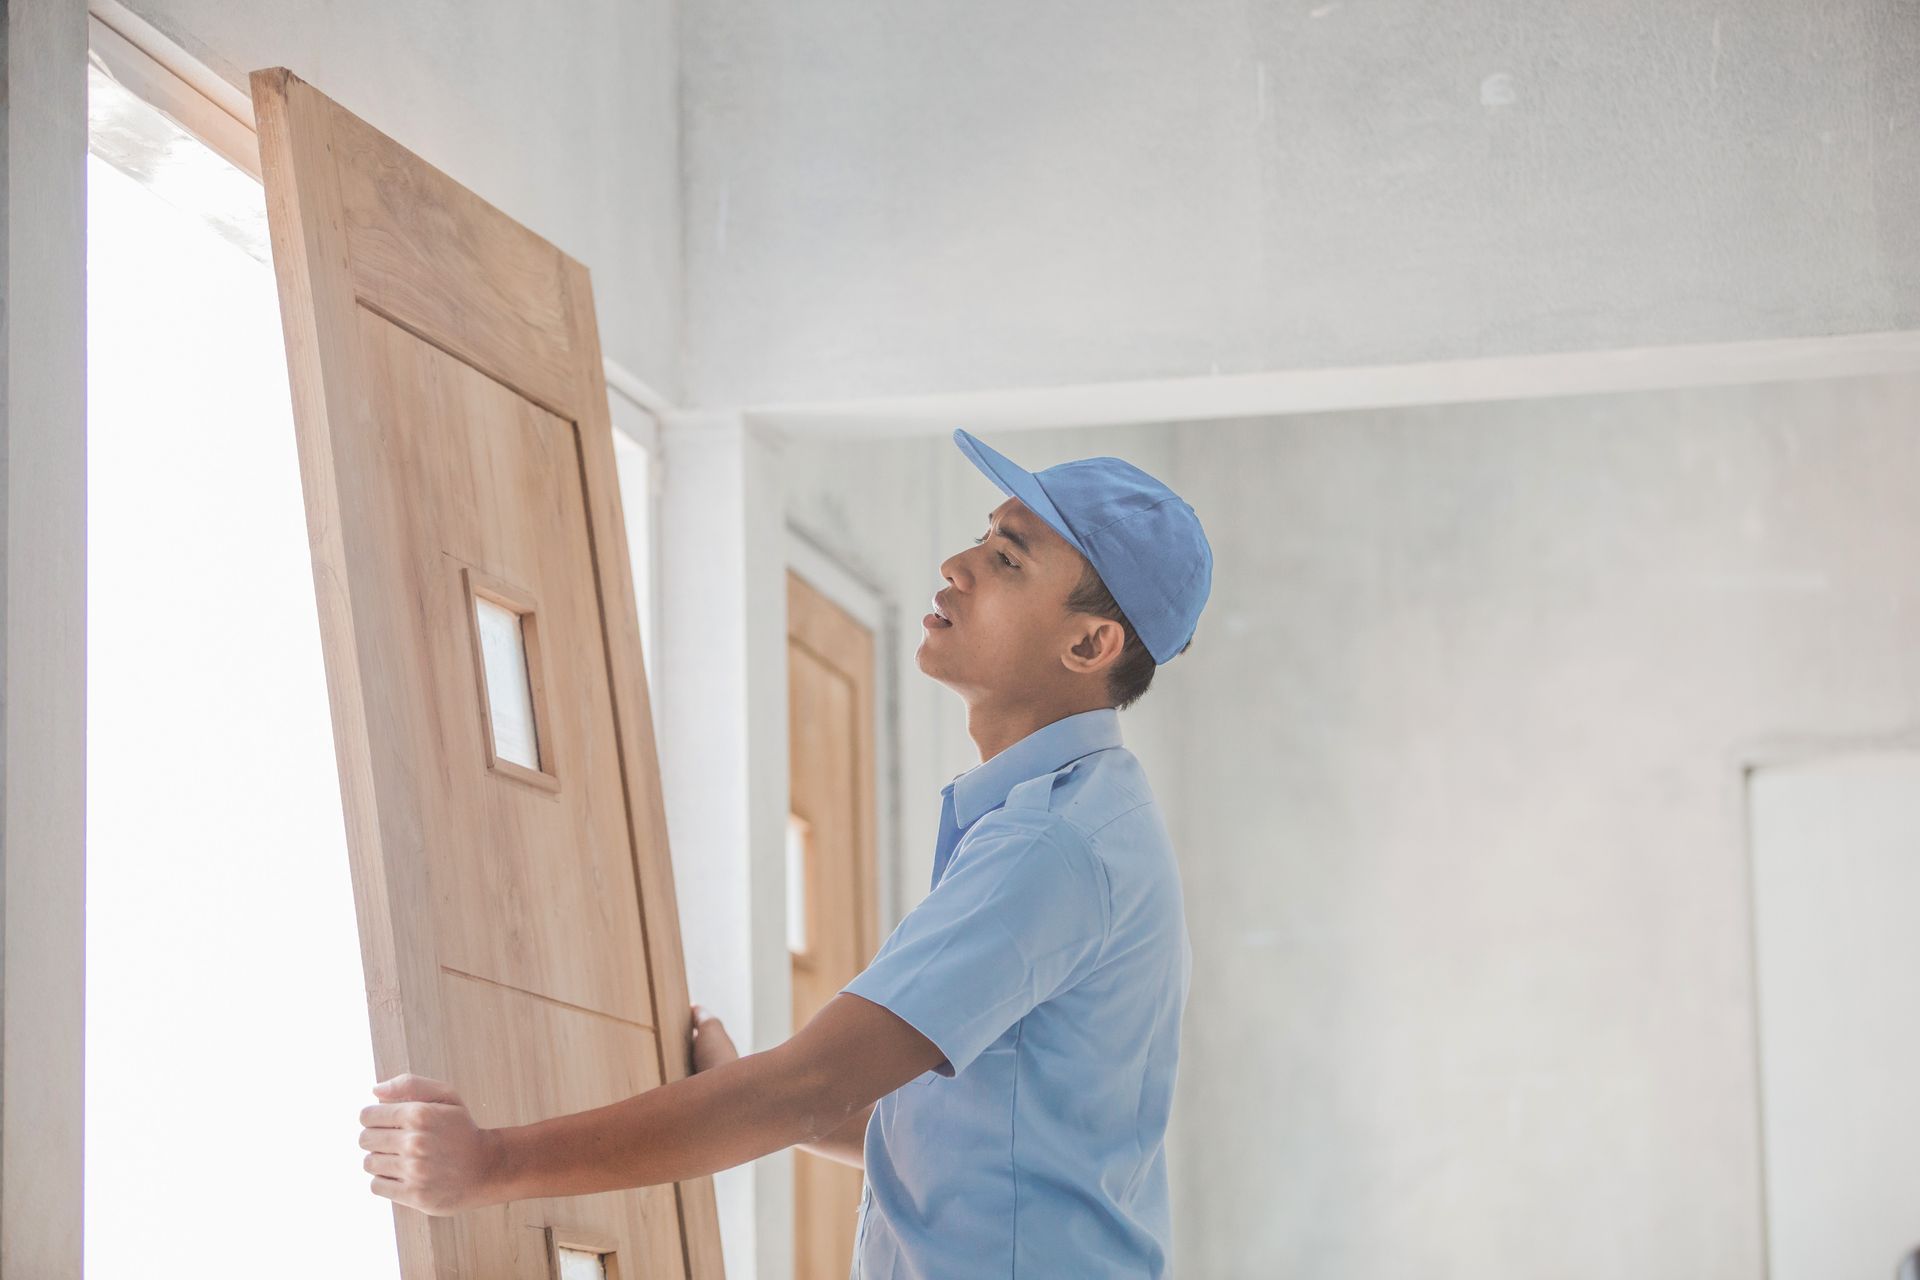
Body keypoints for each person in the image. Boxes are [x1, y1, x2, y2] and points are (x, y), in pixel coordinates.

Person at [356, 428, 1213, 1277]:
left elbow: (810, 1086)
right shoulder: (1076, 819)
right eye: (986, 536)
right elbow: (961, 1142)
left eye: (1009, 560)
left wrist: (489, 1166)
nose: (959, 564)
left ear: (1091, 645)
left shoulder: (1051, 846)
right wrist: (757, 1089)